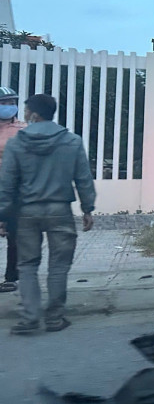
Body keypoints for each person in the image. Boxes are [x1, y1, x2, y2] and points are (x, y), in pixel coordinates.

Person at [0, 94, 95, 334]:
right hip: (59, 210)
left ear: (33, 114)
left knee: (27, 265)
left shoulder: (16, 143)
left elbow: (7, 183)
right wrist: (87, 209)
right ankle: (54, 318)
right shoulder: (71, 141)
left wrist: (3, 214)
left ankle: (30, 318)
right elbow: (83, 178)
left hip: (26, 213)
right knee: (58, 265)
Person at [0, 87, 26, 292]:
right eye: (4, 103)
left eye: (12, 103)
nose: (9, 107)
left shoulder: (23, 129)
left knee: (15, 235)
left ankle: (11, 277)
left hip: (14, 190)